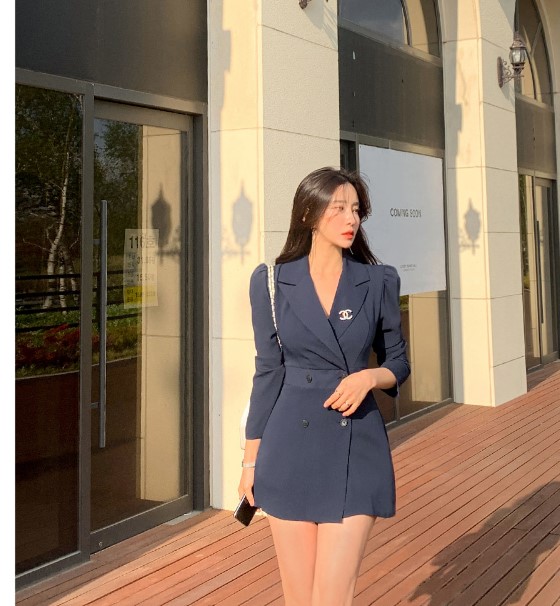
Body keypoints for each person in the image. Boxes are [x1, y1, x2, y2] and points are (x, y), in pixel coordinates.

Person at [238, 166, 410, 606]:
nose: (351, 219)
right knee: (300, 597)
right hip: (288, 449)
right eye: (338, 208)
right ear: (308, 215)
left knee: (332, 596)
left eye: (356, 209)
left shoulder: (379, 281)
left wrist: (368, 377)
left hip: (356, 444)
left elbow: (398, 362)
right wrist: (250, 461)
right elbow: (267, 372)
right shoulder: (271, 282)